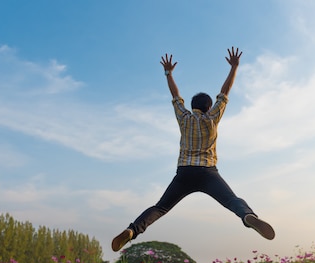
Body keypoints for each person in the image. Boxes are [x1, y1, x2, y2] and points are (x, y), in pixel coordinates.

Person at [111, 47, 275, 252]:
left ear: (193, 105)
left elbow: (175, 95)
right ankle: (248, 216)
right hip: (208, 173)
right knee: (232, 201)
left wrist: (168, 73)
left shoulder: (184, 117)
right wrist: (234, 68)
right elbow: (224, 93)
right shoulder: (212, 118)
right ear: (208, 107)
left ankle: (132, 231)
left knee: (160, 207)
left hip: (184, 173)